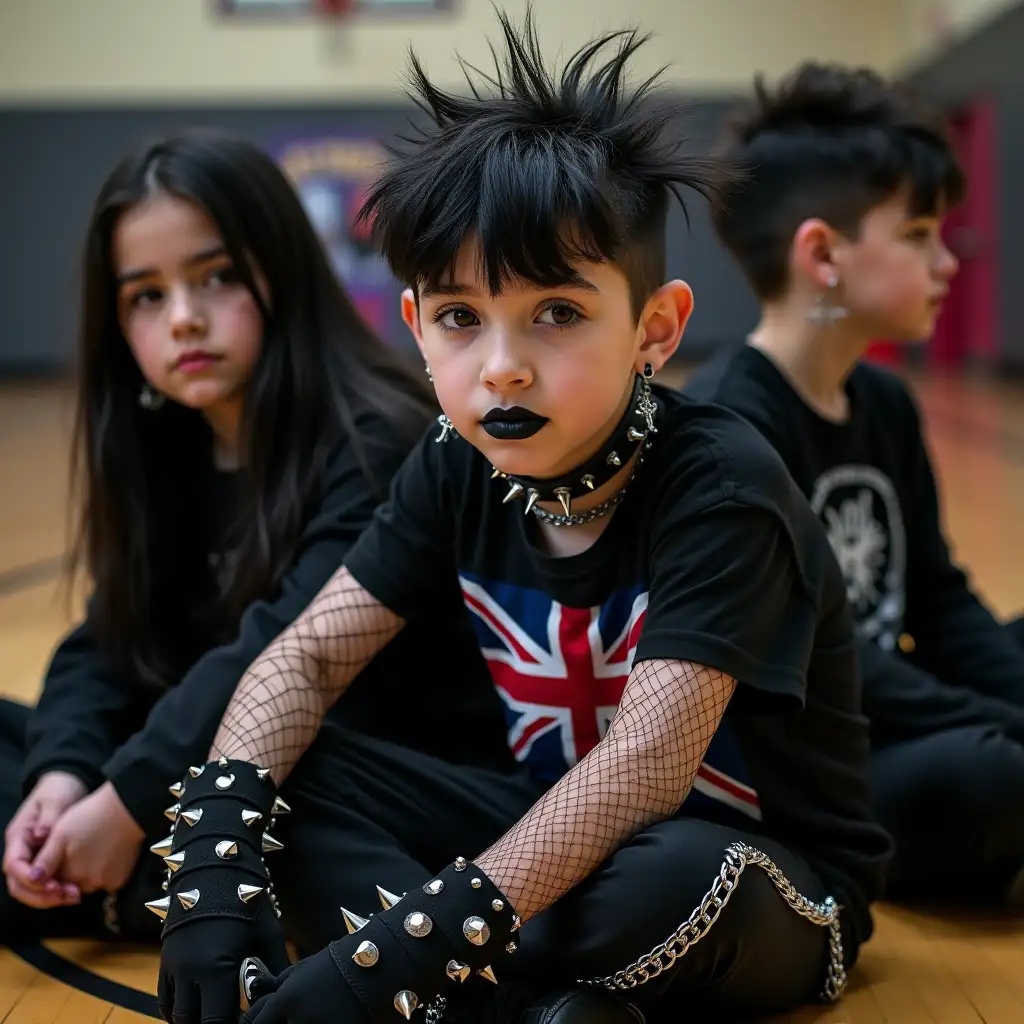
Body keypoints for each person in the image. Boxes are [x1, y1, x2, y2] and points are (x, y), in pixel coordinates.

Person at [153, 14, 893, 1024]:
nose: (500, 363)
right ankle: (522, 1008)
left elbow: (643, 769)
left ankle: (466, 986)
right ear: (415, 327)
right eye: (460, 316)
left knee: (655, 881)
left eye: (556, 311)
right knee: (287, 766)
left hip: (762, 875)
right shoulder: (453, 458)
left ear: (655, 328)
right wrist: (214, 853)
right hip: (544, 837)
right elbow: (308, 658)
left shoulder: (721, 480)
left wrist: (381, 962)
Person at [0, 127, 509, 952]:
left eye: (219, 277)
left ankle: (110, 889)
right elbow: (107, 642)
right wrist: (62, 779)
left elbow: (273, 659)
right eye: (147, 296)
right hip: (201, 766)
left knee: (271, 791)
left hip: (359, 779)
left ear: (286, 271)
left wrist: (127, 801)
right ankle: (107, 882)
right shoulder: (168, 443)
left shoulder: (374, 437)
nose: (186, 320)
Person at [685, 62, 1024, 907]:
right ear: (822, 254)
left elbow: (938, 599)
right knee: (993, 776)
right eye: (917, 235)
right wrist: (998, 722)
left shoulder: (882, 399)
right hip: (805, 762)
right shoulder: (732, 423)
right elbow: (809, 661)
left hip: (894, 719)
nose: (948, 261)